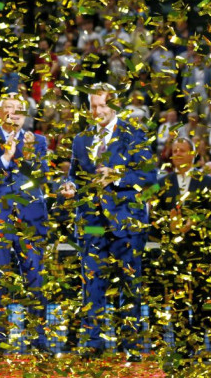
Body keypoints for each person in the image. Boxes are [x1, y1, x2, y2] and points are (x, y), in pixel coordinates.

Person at [59, 82, 155, 362]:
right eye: (93, 106)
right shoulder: (81, 139)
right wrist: (68, 186)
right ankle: (92, 343)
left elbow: (149, 179)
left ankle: (132, 345)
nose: (98, 110)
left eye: (103, 105)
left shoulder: (134, 134)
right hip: (92, 223)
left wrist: (118, 177)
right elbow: (74, 175)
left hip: (127, 222)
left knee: (129, 283)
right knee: (92, 280)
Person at [0, 93, 50, 358]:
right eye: (9, 109)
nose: (15, 114)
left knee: (35, 282)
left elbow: (42, 179)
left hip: (30, 222)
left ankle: (38, 341)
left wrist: (28, 157)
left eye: (20, 110)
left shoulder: (38, 141)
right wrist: (6, 158)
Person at [155, 137, 211, 370]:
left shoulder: (207, 180)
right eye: (174, 150)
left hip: (202, 253)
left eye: (182, 150)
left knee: (208, 303)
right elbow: (152, 217)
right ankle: (181, 352)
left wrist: (195, 222)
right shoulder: (162, 182)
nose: (177, 154)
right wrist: (168, 224)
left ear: (192, 154)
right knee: (177, 305)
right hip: (174, 255)